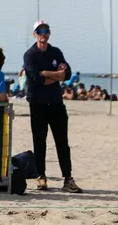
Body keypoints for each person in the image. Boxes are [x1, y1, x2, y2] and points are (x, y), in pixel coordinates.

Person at [23, 20, 82, 193]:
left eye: (46, 30)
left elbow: (68, 74)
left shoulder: (56, 52)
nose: (43, 33)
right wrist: (56, 75)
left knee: (62, 142)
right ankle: (41, 176)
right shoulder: (30, 55)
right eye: (39, 30)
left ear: (49, 33)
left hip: (56, 103)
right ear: (34, 34)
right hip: (37, 104)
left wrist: (48, 75)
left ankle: (68, 179)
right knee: (39, 142)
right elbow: (35, 78)